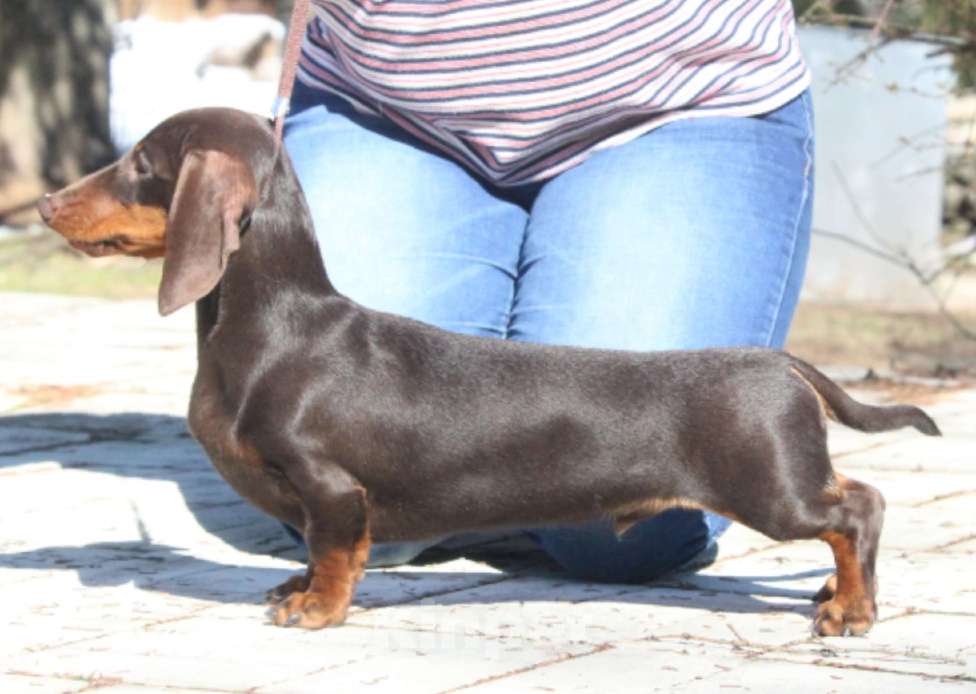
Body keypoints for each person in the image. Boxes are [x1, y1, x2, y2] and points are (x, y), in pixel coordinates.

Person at [282, 0, 814, 583]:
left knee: (617, 527)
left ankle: (494, 473)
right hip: (382, 105)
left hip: (680, 96)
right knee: (344, 489)